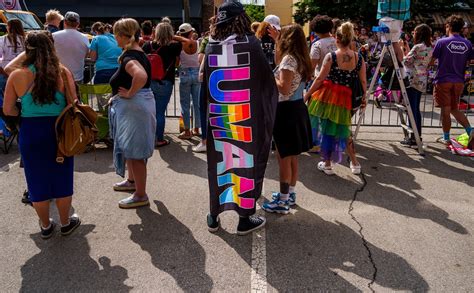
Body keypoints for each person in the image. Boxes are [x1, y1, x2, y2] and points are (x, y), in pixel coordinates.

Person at [204, 1, 278, 235]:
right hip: (246, 118)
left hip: (220, 119)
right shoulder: (252, 45)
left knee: (220, 162)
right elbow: (267, 82)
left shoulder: (210, 46)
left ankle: (214, 215)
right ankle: (244, 219)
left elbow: (203, 86)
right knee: (245, 162)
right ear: (242, 20)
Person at [3, 31, 80, 238]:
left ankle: (45, 226)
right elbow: (74, 105)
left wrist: (23, 112)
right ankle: (65, 223)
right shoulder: (63, 72)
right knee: (62, 178)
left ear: (26, 50)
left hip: (31, 131)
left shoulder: (17, 75)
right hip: (59, 131)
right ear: (51, 47)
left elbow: (8, 109)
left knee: (36, 180)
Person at [262, 24, 312, 214]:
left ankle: (282, 201)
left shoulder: (289, 60)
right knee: (292, 157)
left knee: (283, 157)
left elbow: (283, 87)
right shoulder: (299, 58)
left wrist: (268, 76)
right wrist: (276, 41)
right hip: (296, 108)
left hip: (286, 112)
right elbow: (279, 62)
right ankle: (289, 194)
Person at [306, 22, 367, 175]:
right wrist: (364, 98)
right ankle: (355, 163)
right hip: (348, 98)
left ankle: (327, 164)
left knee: (329, 130)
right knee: (343, 129)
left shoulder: (332, 56)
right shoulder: (359, 58)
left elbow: (319, 79)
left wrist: (307, 95)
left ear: (337, 39)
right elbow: (363, 81)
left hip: (328, 97)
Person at [109, 18, 157, 208]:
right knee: (132, 149)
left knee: (135, 153)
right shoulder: (138, 53)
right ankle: (132, 182)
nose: (115, 39)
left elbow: (140, 76)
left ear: (123, 36)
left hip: (135, 108)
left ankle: (140, 194)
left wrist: (129, 93)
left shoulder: (130, 57)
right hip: (138, 107)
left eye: (116, 35)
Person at [142, 22, 194, 147]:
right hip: (165, 82)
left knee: (150, 112)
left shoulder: (148, 45)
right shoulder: (174, 46)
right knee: (160, 112)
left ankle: (150, 137)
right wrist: (173, 36)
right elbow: (187, 41)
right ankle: (159, 139)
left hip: (149, 82)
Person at [431, 15, 473, 148]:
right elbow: (471, 60)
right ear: (461, 28)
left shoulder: (442, 42)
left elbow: (432, 61)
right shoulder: (467, 43)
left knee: (446, 110)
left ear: (448, 26)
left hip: (443, 79)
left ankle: (446, 138)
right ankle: (470, 131)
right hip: (459, 80)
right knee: (454, 108)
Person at [400, 24, 433, 147]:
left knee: (411, 110)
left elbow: (406, 61)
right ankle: (416, 136)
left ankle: (415, 137)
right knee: (415, 109)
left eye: (415, 31)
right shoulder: (429, 47)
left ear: (419, 34)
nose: (413, 33)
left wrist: (401, 51)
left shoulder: (418, 46)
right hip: (422, 80)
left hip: (412, 80)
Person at [176, 23, 200, 139]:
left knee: (185, 104)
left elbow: (176, 63)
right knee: (197, 103)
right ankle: (196, 128)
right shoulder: (198, 43)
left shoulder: (179, 45)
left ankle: (187, 131)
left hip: (184, 73)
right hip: (196, 73)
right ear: (191, 32)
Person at [53, 11, 89, 83]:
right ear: (78, 24)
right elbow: (86, 55)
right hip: (77, 77)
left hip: (58, 76)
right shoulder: (85, 37)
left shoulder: (53, 36)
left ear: (64, 22)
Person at [0, 19, 25, 101]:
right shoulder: (25, 40)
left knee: (5, 98)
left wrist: (3, 72)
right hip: (21, 72)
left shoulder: (2, 39)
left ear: (9, 27)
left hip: (4, 71)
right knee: (20, 96)